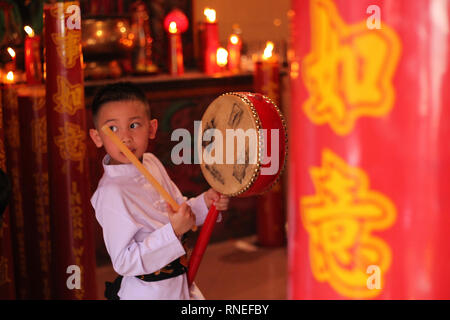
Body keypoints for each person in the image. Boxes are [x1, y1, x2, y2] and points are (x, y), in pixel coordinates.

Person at [89, 82, 229, 300]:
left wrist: (205, 203)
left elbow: (179, 210)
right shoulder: (110, 193)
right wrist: (172, 232)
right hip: (148, 293)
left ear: (152, 128)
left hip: (179, 284)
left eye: (134, 125)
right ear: (97, 137)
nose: (125, 137)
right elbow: (124, 261)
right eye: (113, 129)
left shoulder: (152, 162)